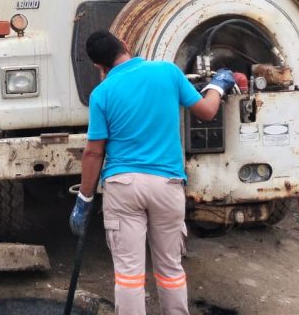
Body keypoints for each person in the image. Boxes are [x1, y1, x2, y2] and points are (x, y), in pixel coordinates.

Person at [70, 30, 236, 315]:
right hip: (167, 183)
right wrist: (218, 86)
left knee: (129, 274)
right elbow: (207, 111)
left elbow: (94, 152)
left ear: (99, 66)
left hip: (123, 186)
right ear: (124, 45)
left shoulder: (102, 94)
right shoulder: (167, 72)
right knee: (170, 268)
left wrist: (84, 201)